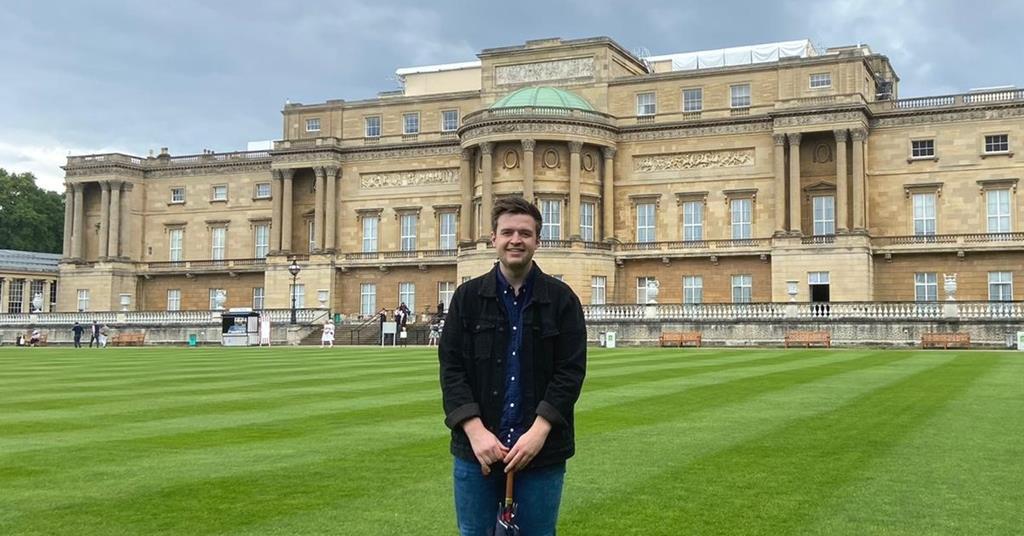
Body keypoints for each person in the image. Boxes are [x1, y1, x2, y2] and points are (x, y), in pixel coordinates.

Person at [439, 196, 587, 536]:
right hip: (477, 452)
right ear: (494, 238)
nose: (515, 240)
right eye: (507, 232)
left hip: (541, 452)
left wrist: (538, 432)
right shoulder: (467, 298)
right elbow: (452, 369)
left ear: (538, 240)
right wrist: (475, 432)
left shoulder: (563, 299)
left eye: (525, 233)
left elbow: (570, 372)